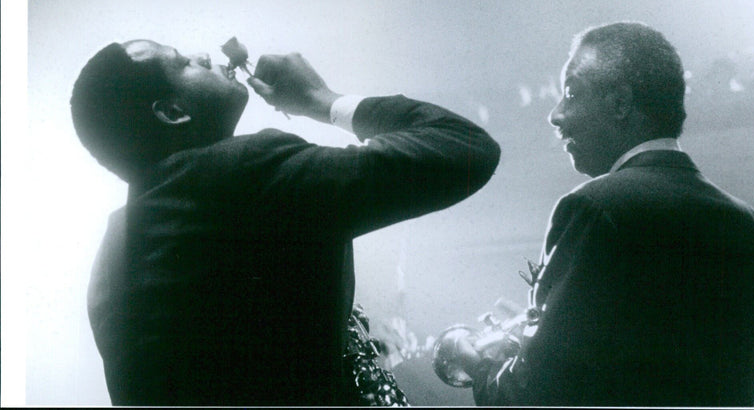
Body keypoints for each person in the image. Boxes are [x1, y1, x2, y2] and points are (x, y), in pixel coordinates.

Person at [72, 39, 501, 406]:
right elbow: (464, 149)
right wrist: (321, 100)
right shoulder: (239, 172)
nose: (203, 54)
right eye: (182, 62)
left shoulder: (111, 262)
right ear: (172, 112)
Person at [451, 22, 754, 407]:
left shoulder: (593, 205)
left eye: (570, 93)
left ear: (620, 103)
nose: (555, 115)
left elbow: (534, 397)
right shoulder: (751, 224)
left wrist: (482, 367)